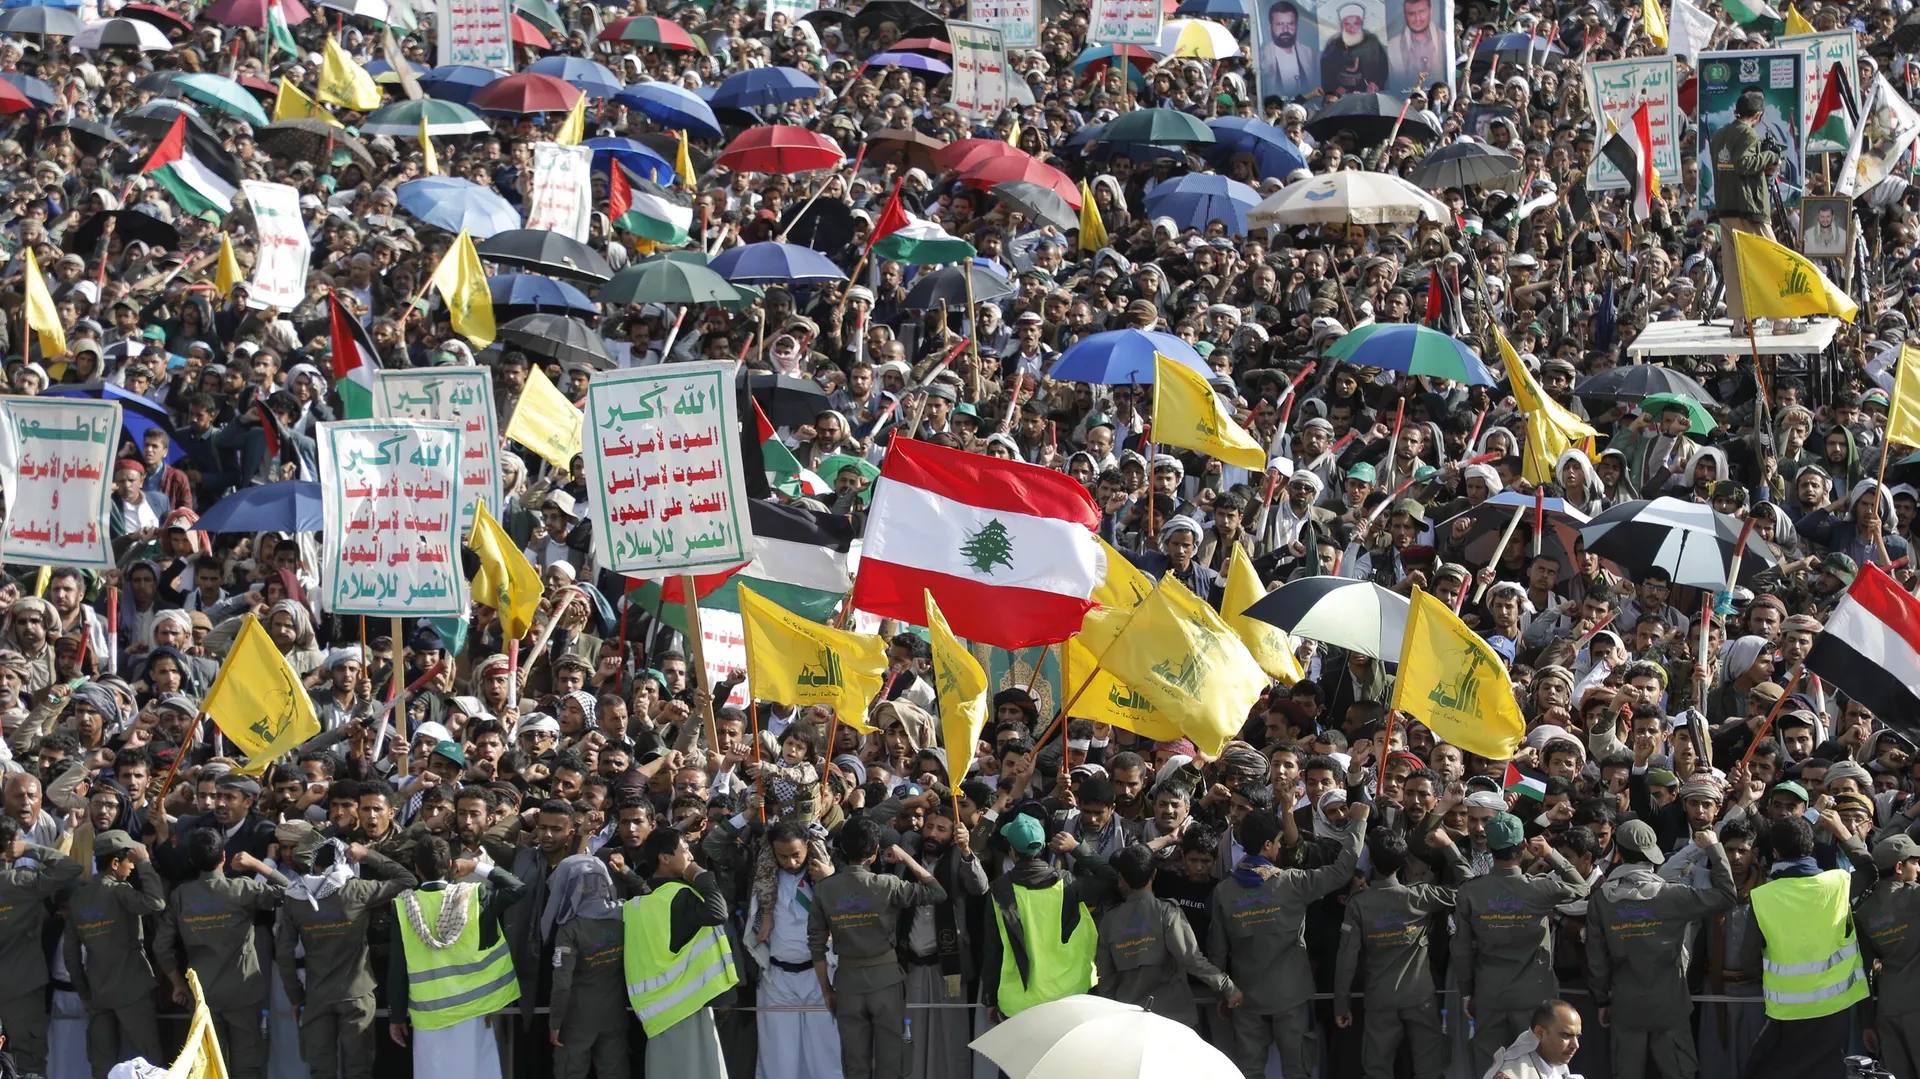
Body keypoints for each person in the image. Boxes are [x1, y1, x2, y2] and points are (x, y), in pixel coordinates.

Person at [1209, 803, 1367, 1079]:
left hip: (1244, 997)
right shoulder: (1292, 882)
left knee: (1248, 1072)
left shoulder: (1224, 890)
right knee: (1297, 1071)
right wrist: (1359, 823)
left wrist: (1223, 992)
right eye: (1279, 843)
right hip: (1291, 995)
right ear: (1268, 845)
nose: (1281, 849)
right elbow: (1343, 871)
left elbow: (1218, 949)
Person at [1588, 818, 1737, 1079]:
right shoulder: (1673, 895)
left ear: (1619, 852)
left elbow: (1597, 956)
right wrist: (1714, 848)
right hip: (1670, 1004)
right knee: (1680, 1072)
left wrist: (1602, 999)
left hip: (1626, 1004)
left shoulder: (1601, 898)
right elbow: (1726, 896)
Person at [1453, 813, 1594, 1075]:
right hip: (1534, 995)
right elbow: (1581, 886)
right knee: (1537, 1065)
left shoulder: (1470, 891)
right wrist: (1551, 853)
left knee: (1489, 1066)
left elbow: (1461, 948)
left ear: (1488, 846)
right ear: (1522, 847)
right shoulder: (1538, 889)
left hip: (1489, 991)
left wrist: (1466, 992)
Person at [810, 817, 947, 1079]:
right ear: (874, 853)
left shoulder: (824, 890)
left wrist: (826, 989)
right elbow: (937, 892)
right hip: (886, 981)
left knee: (855, 1063)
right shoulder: (887, 884)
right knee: (891, 1062)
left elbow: (816, 945)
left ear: (841, 851)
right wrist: (906, 858)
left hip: (848, 983)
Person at [1739, 812, 1873, 1078]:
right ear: (1811, 847)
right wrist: (1843, 833)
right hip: (1837, 1006)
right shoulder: (1838, 882)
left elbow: (1748, 962)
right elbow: (1870, 870)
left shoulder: (1762, 896)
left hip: (1786, 1011)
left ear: (1775, 852)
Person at [277, 833, 419, 1079]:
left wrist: (295, 996)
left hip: (316, 995)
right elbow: (408, 879)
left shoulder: (295, 898)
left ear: (315, 866)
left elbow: (284, 952)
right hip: (357, 994)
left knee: (321, 1071)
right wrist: (369, 855)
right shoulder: (356, 890)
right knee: (359, 1071)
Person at [1333, 826, 1469, 1079]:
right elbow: (1469, 885)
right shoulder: (1420, 896)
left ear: (1372, 861)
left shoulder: (1358, 904)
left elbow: (1346, 959)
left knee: (1376, 1069)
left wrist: (1342, 1003)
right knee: (1429, 1066)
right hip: (1420, 997)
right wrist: (1448, 845)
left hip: (1379, 999)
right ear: (1402, 863)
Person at [154, 829, 289, 1079]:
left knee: (208, 1064)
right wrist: (259, 864)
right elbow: (292, 892)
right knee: (247, 1065)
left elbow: (161, 946)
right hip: (243, 992)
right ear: (224, 856)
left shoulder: (181, 895)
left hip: (203, 995)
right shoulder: (242, 888)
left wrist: (177, 984)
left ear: (192, 861)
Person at [388, 836, 527, 1079]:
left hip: (430, 1014)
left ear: (416, 869)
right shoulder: (475, 896)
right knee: (477, 1071)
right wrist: (475, 866)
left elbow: (397, 969)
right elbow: (517, 887)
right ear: (451, 864)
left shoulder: (404, 905)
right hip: (475, 1009)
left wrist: (396, 1016)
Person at [623, 826, 736, 1079]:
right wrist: (700, 874)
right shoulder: (679, 895)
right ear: (664, 858)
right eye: (685, 851)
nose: (690, 858)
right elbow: (718, 913)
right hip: (687, 1003)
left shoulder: (637, 904)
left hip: (655, 1009)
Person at [982, 812, 1117, 1020]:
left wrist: (990, 999)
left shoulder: (998, 891)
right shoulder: (1070, 884)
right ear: (1043, 847)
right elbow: (1110, 878)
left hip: (1020, 1005)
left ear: (1012, 852)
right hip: (1071, 996)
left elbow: (992, 950)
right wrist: (1076, 848)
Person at [1095, 843, 1239, 1026]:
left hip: (1129, 1021)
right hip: (1173, 1020)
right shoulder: (1167, 913)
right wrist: (1228, 988)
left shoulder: (1109, 921)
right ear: (1154, 874)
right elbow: (1192, 960)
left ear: (1121, 879)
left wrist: (1112, 1017)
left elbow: (1106, 978)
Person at [64, 830, 168, 1079]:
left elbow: (70, 954)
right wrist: (144, 863)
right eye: (129, 861)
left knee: (102, 1065)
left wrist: (85, 992)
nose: (131, 867)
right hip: (133, 989)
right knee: (149, 1063)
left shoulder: (78, 898)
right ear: (114, 863)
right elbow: (156, 902)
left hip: (98, 992)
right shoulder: (121, 892)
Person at [0, 816, 81, 1079]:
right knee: (30, 1060)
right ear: (12, 844)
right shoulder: (21, 882)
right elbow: (70, 868)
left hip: (19, 983)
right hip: (22, 985)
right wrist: (30, 849)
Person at [544, 855, 629, 1079]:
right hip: (615, 1017)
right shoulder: (625, 915)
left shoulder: (570, 928)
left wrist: (555, 1022)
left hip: (575, 1021)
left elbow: (562, 982)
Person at [1709, 89, 1783, 329]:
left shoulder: (1720, 135)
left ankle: (1740, 323)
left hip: (1726, 208)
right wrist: (1770, 155)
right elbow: (1744, 164)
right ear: (1758, 115)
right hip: (1748, 209)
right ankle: (1780, 320)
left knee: (1733, 269)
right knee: (1773, 262)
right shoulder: (1749, 135)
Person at [1483, 999, 1585, 1079]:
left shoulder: (1556, 1063)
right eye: (1566, 1035)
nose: (1575, 1045)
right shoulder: (1511, 1075)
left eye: (1577, 1036)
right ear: (1540, 1033)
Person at [1320, 3, 1388, 93]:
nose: (1352, 28)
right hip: (1342, 92)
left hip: (1367, 90)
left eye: (1356, 23)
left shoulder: (1371, 41)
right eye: (1347, 24)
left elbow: (1383, 66)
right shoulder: (1334, 43)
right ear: (1342, 25)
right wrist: (1335, 87)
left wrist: (1376, 83)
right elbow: (1326, 70)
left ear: (1361, 23)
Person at [1260, 0, 1316, 97]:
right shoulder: (1262, 55)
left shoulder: (1310, 54)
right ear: (1270, 27)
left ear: (1297, 26)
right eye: (1280, 24)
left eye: (1290, 24)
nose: (1285, 29)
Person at [1386, 0, 1441, 87]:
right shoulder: (1393, 46)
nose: (1417, 18)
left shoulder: (1445, 40)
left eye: (1421, 12)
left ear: (1430, 10)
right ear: (1405, 15)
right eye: (1411, 14)